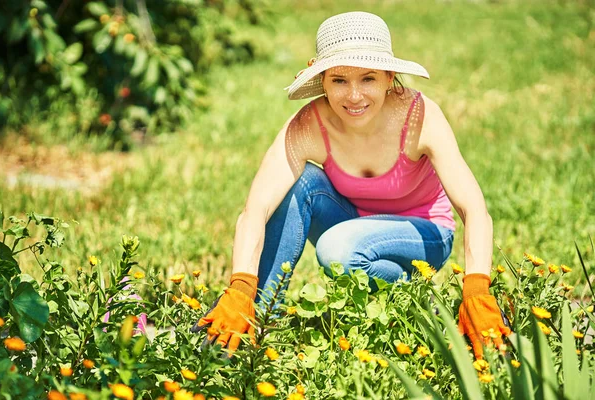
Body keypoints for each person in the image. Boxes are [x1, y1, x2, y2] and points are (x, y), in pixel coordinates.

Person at [192, 11, 511, 359]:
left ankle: (417, 302)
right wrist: (240, 286)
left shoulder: (420, 117)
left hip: (425, 235)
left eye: (369, 79)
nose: (354, 96)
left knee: (337, 250)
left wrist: (477, 288)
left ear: (390, 77)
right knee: (303, 186)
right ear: (323, 81)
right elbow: (255, 211)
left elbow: (474, 208)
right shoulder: (309, 126)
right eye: (339, 80)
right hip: (351, 224)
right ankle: (257, 325)